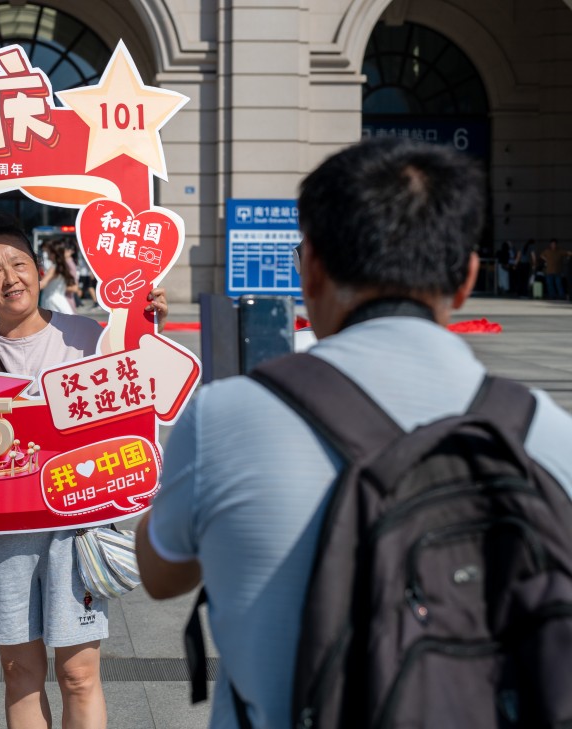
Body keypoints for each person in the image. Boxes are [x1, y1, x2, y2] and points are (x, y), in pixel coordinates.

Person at [135, 138, 572, 729]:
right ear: (468, 277)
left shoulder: (225, 416)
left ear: (309, 266)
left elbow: (162, 576)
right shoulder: (546, 432)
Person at [0, 214, 167, 729]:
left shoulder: (90, 336)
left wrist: (145, 319)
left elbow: (142, 390)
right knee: (19, 671)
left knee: (79, 673)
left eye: (19, 263)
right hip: (4, 535)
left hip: (76, 532)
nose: (10, 278)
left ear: (40, 270)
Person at [38, 238, 77, 315]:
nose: (46, 254)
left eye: (48, 252)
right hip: (59, 299)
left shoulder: (53, 268)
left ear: (53, 254)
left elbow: (43, 284)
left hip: (52, 300)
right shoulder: (61, 267)